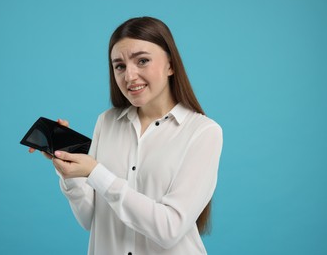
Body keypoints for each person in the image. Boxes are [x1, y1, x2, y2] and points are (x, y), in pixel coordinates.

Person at [30, 16, 223, 255]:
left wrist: (95, 172)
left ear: (171, 65)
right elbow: (90, 219)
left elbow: (169, 229)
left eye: (142, 61)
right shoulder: (107, 121)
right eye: (119, 66)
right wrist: (70, 172)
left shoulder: (203, 132)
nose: (129, 76)